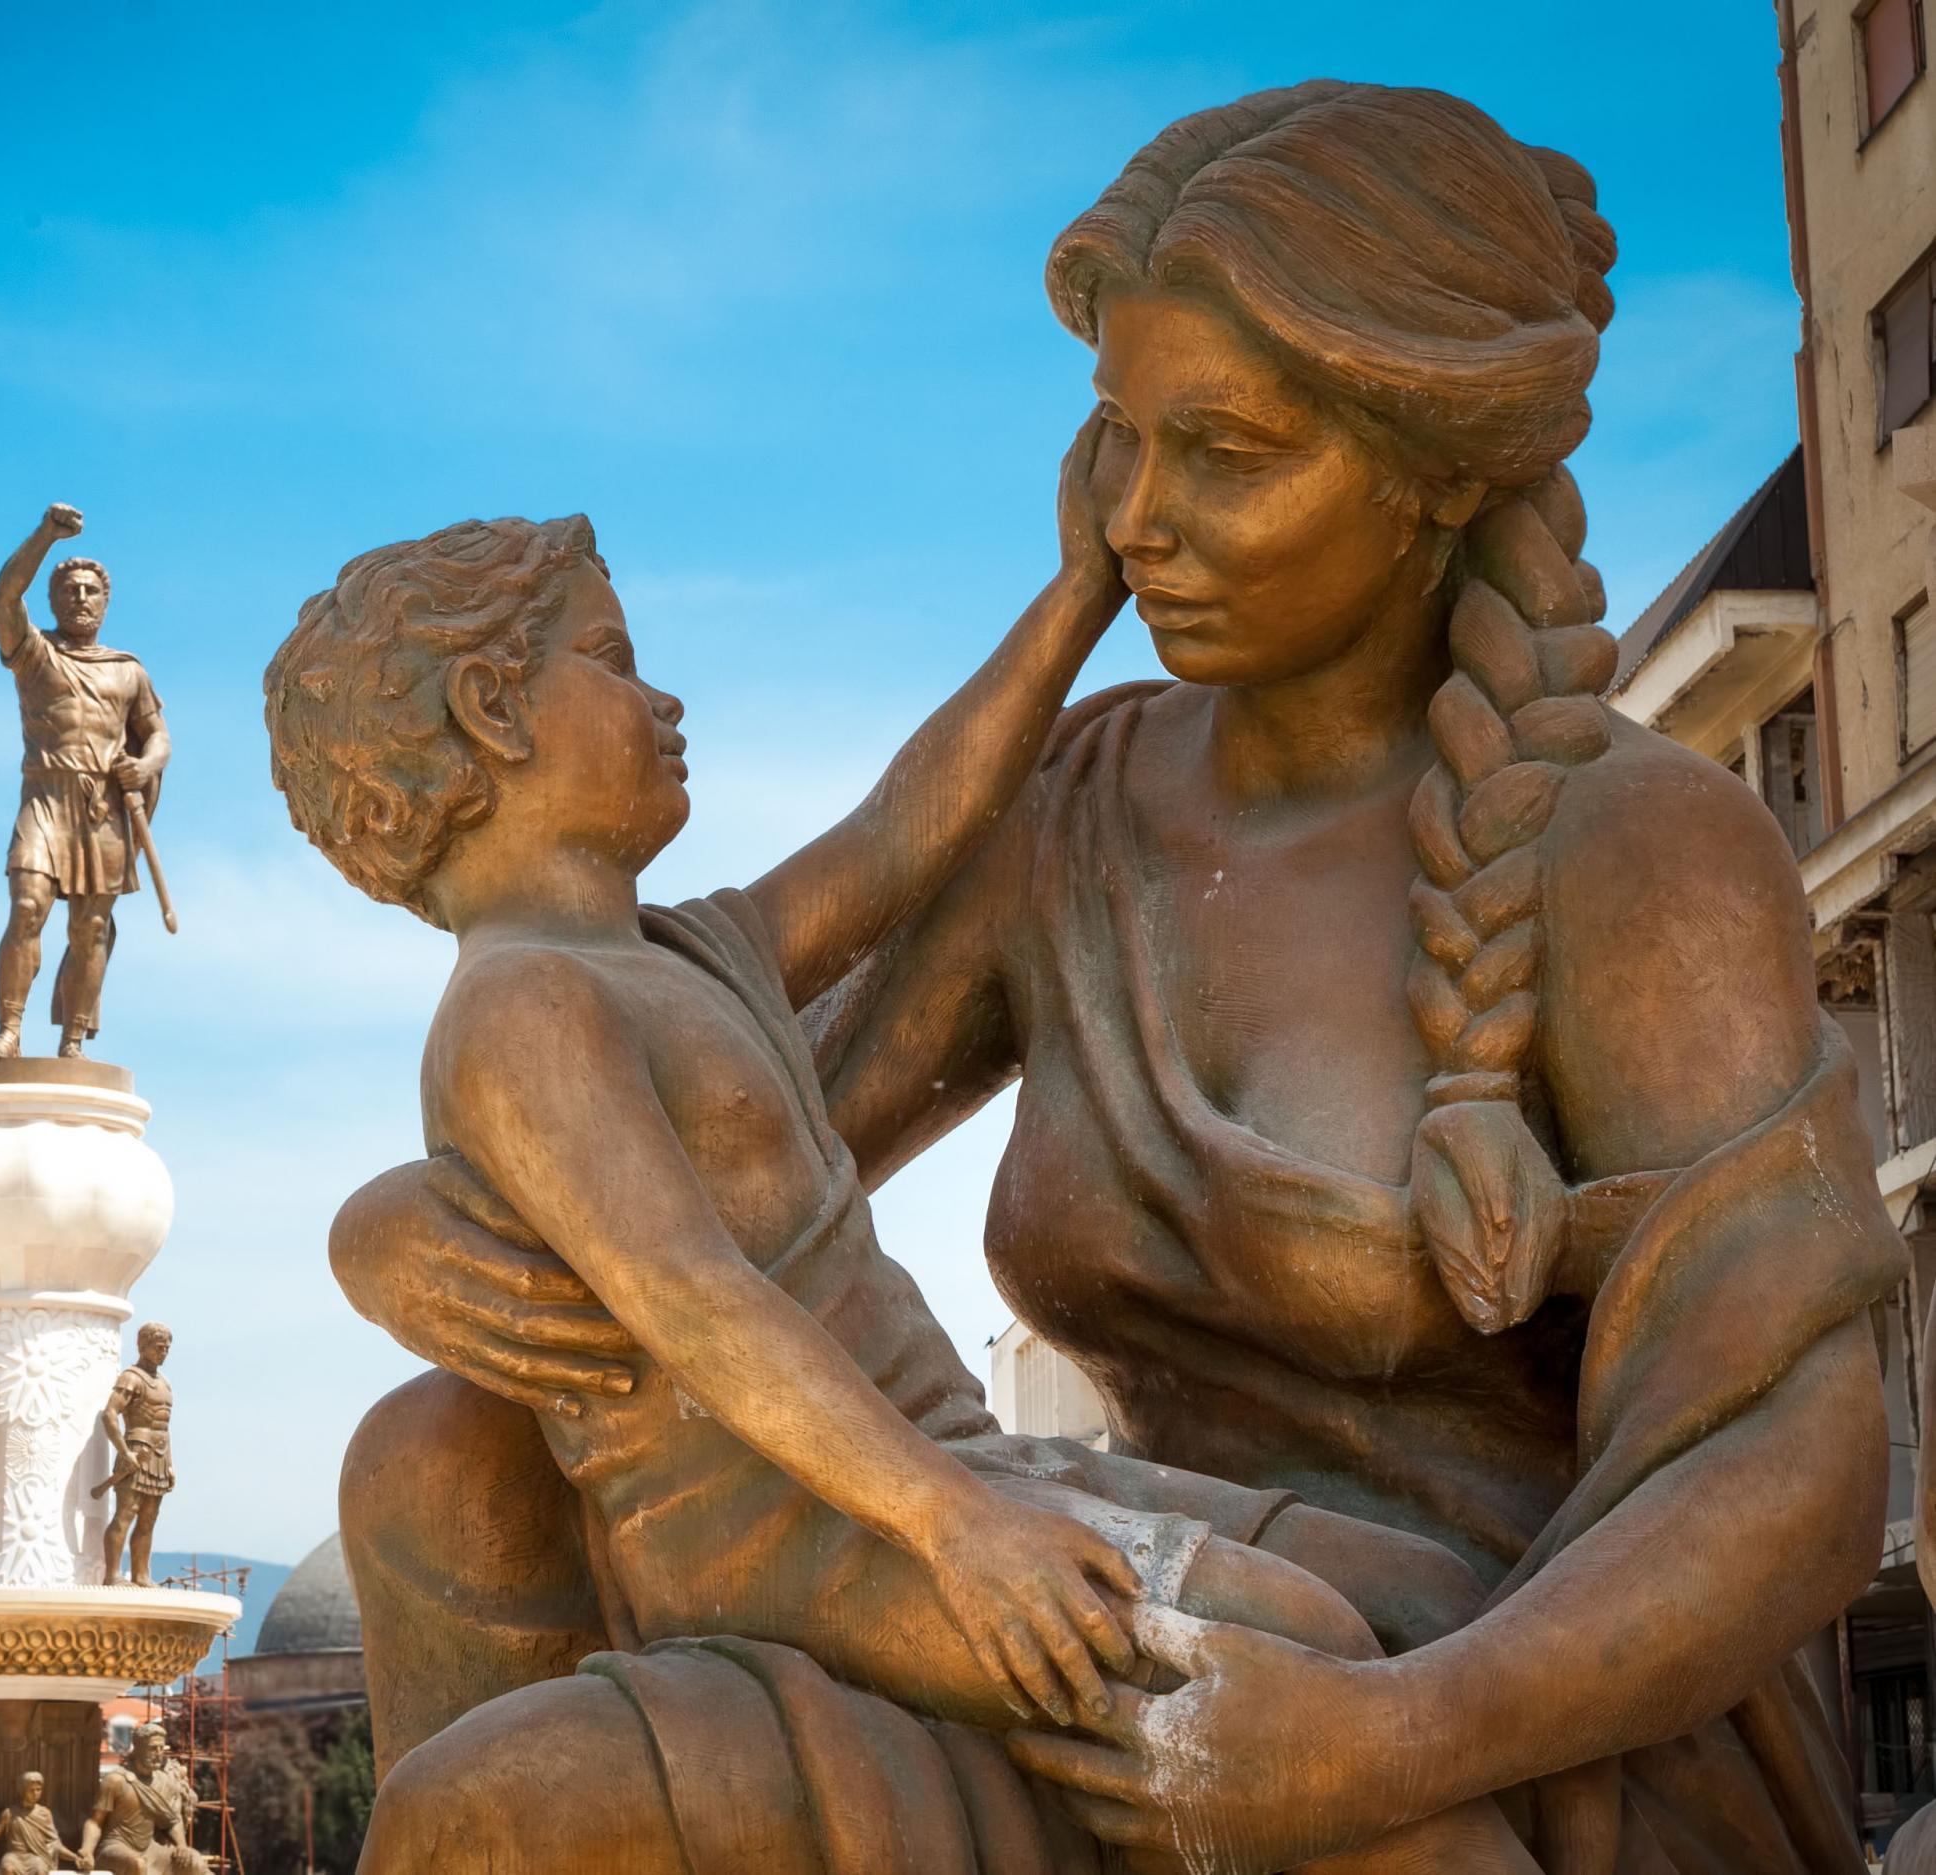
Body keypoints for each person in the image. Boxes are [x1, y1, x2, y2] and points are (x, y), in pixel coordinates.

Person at [320, 82, 1905, 1872]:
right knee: (441, 1454)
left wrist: (1387, 1740)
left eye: (1228, 454)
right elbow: (730, 1124)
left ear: (1436, 467)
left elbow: (1796, 1463)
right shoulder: (1077, 806)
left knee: (522, 1814)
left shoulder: (1639, 851)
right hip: (1118, 1621)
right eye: (1118, 443)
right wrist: (413, 1210)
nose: (1142, 521)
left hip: (1485, 1705)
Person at [266, 501, 1529, 1869]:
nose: (662, 696)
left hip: (943, 1475)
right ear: (492, 707)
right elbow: (694, 1299)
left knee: (1420, 1596)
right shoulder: (522, 1011)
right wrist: (956, 1523)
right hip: (800, 1540)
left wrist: (1079, 590)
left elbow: (901, 829)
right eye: (615, 659)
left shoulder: (683, 954)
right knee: (1288, 1651)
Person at [0, 503, 170, 1062]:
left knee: (91, 929)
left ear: (106, 602)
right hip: (45, 797)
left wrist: (146, 766)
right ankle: (9, 1032)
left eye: (92, 591)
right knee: (27, 907)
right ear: (56, 601)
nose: (81, 598)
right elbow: (4, 598)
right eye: (71, 591)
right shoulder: (35, 655)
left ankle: (72, 1042)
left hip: (102, 809)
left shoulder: (128, 670)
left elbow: (158, 736)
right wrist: (44, 538)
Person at [97, 1324, 177, 1587]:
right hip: (135, 1449)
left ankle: (141, 1574)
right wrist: (123, 1450)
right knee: (126, 1513)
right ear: (143, 1346)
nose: (163, 1352)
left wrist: (171, 1465)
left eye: (167, 1348)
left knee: (149, 1517)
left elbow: (164, 1427)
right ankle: (113, 1575)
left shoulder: (164, 1383)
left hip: (160, 1456)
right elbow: (109, 1414)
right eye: (158, 1347)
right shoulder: (131, 1377)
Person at [80, 1725, 206, 1875]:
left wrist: (182, 1846)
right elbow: (95, 1822)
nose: (159, 1754)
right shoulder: (116, 1781)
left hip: (151, 1849)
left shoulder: (164, 1781)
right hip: (116, 1847)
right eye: (153, 1748)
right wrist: (86, 1850)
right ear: (138, 1748)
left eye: (161, 1748)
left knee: (195, 1861)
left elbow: (172, 1821)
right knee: (138, 1865)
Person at [0, 1772, 82, 1875]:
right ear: (23, 1790)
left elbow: (55, 1844)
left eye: (38, 1790)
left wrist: (75, 1857)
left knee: (40, 1869)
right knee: (8, 1868)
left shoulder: (45, 1814)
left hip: (35, 1857)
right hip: (14, 1856)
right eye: (31, 1790)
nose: (35, 1793)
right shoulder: (10, 1813)